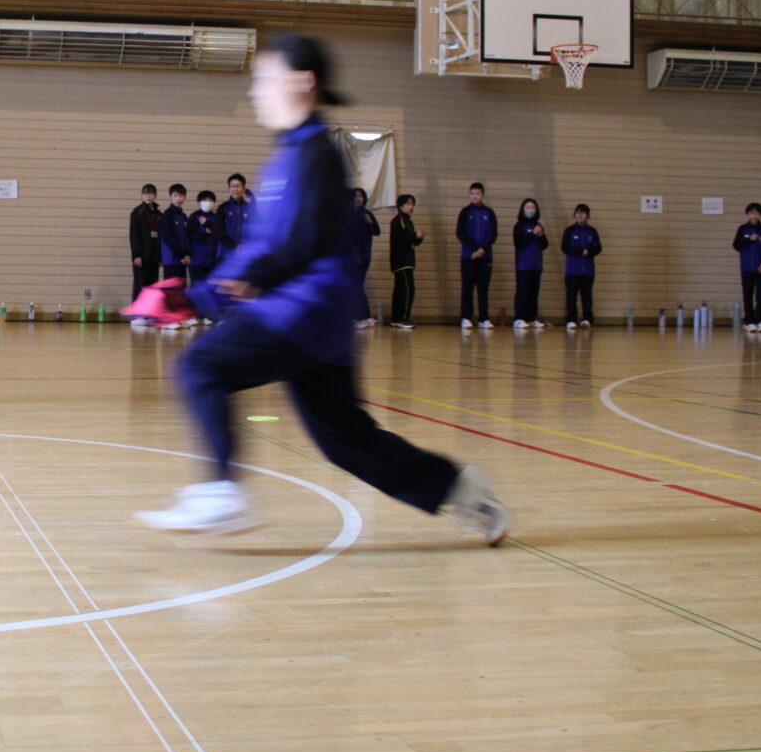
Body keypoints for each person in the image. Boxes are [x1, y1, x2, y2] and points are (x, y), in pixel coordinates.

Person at [133, 34, 509, 543]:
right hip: (315, 323)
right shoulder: (289, 156)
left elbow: (297, 243)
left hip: (300, 314)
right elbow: (262, 246)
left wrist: (200, 297)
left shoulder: (315, 155)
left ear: (302, 82)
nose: (256, 92)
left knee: (199, 367)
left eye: (265, 80)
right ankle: (463, 490)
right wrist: (188, 294)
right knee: (345, 440)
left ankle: (221, 492)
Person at [456, 182, 498, 329]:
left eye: (478, 193)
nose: (475, 196)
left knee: (483, 288)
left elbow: (493, 234)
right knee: (467, 288)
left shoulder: (489, 212)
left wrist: (483, 249)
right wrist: (474, 248)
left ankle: (483, 318)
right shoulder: (465, 212)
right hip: (468, 257)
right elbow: (460, 233)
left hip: (485, 257)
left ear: (483, 195)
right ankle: (466, 317)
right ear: (469, 195)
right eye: (472, 193)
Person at [733, 203, 761, 332]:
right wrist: (748, 239)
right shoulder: (742, 229)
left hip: (760, 268)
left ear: (760, 215)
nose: (754, 216)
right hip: (746, 268)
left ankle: (760, 320)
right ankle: (749, 321)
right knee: (748, 295)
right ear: (748, 214)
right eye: (752, 213)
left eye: (757, 213)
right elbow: (737, 246)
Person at [511, 197, 550, 329]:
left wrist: (541, 235)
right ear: (523, 210)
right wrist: (532, 234)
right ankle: (519, 318)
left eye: (533, 207)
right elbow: (518, 243)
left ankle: (532, 318)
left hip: (536, 264)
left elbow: (545, 245)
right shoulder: (519, 226)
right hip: (523, 265)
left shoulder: (538, 226)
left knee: (534, 293)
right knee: (522, 292)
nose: (531, 210)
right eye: (528, 207)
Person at [561, 203, 601, 328]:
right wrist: (580, 250)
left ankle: (587, 318)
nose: (580, 215)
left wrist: (589, 252)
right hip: (572, 270)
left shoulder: (592, 231)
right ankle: (571, 319)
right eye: (578, 212)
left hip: (588, 271)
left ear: (587, 216)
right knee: (571, 296)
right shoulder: (569, 231)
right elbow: (565, 247)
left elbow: (598, 247)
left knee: (587, 296)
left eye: (583, 213)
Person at [389, 194, 423, 331]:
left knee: (400, 290)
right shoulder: (398, 220)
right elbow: (397, 240)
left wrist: (419, 238)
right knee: (408, 290)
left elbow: (411, 241)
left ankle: (395, 318)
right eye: (408, 204)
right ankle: (403, 318)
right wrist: (414, 235)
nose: (411, 206)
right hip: (401, 261)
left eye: (412, 204)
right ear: (400, 206)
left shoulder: (408, 221)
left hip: (407, 261)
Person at [348, 187, 381, 328]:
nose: (358, 198)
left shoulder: (366, 214)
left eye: (361, 196)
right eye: (355, 196)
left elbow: (377, 232)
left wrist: (371, 223)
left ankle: (363, 317)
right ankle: (359, 317)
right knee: (355, 287)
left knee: (357, 286)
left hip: (362, 257)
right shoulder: (347, 214)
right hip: (350, 257)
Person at [129, 184, 162, 302]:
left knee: (153, 286)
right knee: (140, 285)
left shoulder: (159, 214)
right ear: (142, 195)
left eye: (151, 193)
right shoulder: (137, 212)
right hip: (142, 257)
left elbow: (160, 237)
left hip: (154, 257)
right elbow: (134, 235)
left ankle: (149, 310)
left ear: (155, 196)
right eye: (145, 193)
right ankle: (137, 312)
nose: (148, 196)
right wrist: (136, 255)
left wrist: (160, 257)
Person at [188, 191, 222, 286]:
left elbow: (219, 235)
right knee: (197, 288)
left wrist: (208, 226)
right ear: (199, 202)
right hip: (197, 261)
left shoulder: (217, 217)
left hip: (213, 260)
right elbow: (192, 236)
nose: (207, 202)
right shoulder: (194, 217)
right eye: (205, 200)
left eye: (210, 200)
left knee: (212, 289)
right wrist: (206, 233)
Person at [161, 184, 192, 284]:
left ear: (184, 197)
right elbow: (169, 238)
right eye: (175, 196)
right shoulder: (167, 215)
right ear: (170, 197)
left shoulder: (183, 216)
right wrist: (182, 255)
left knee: (181, 289)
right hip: (171, 259)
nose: (178, 198)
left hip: (183, 260)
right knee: (171, 289)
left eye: (181, 196)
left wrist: (188, 254)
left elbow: (187, 237)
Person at [220, 173, 254, 255]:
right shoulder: (223, 207)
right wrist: (234, 246)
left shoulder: (250, 208)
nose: (235, 189)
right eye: (232, 186)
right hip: (226, 253)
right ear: (229, 189)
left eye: (238, 186)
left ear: (244, 189)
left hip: (246, 253)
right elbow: (218, 232)